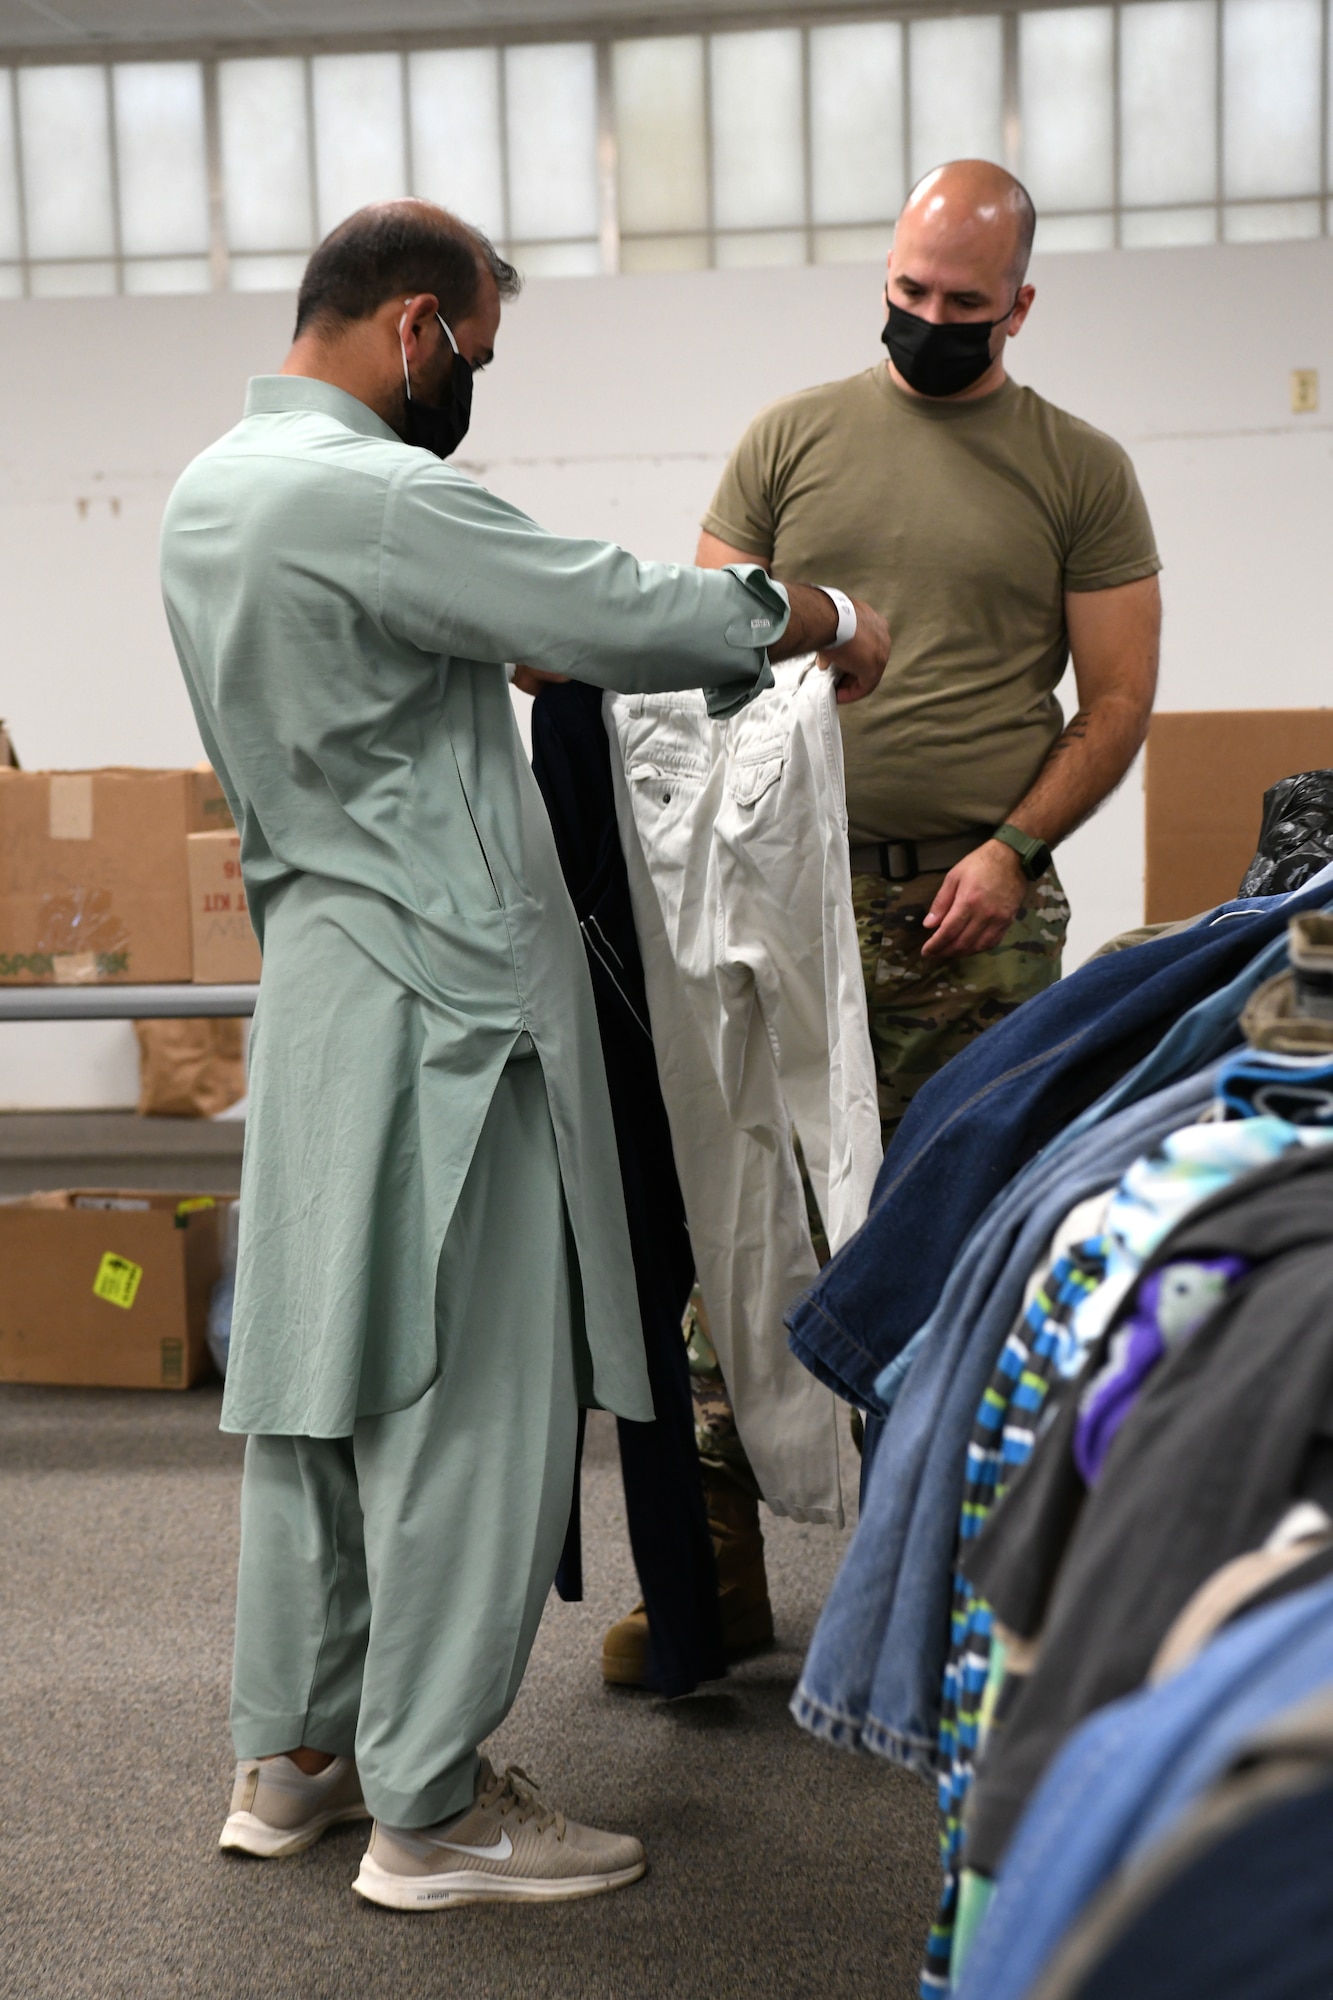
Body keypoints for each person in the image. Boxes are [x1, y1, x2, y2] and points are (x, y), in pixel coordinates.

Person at [159, 198, 888, 1914]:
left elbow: (506, 636)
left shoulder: (212, 499)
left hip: (326, 987)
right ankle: (431, 1810)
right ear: (415, 328)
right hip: (456, 1018)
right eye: (474, 353)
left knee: (312, 1389)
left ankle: (296, 1758)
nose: (469, 380)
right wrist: (814, 616)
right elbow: (613, 604)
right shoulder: (384, 495)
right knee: (469, 1405)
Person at [603, 159, 1162, 1680]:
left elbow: (1113, 701)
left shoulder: (1078, 469)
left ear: (1019, 306)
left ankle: (955, 1598)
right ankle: (710, 1594)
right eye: (907, 293)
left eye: (960, 304)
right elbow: (701, 661)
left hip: (970, 918)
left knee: (965, 1238)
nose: (924, 321)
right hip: (783, 902)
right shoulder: (789, 440)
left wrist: (1009, 849)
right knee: (747, 1228)